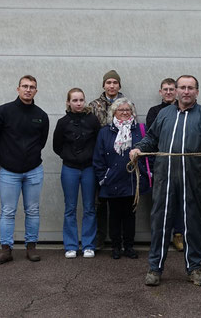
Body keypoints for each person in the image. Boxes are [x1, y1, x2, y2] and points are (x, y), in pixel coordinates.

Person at [130, 75, 201, 287]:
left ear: (197, 92)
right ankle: (155, 268)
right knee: (160, 223)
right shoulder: (164, 114)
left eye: (190, 88)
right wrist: (139, 148)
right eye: (182, 88)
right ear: (176, 91)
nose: (186, 91)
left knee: (192, 224)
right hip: (165, 178)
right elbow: (151, 138)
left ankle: (194, 268)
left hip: (194, 179)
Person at [0, 75, 49, 265]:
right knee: (8, 211)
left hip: (33, 171)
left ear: (36, 91)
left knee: (32, 210)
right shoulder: (3, 112)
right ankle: (6, 249)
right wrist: (1, 161)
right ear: (18, 89)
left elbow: (41, 141)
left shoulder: (41, 115)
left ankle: (31, 247)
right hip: (9, 172)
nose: (28, 89)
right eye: (24, 86)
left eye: (32, 87)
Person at [93, 99, 150, 260]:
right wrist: (104, 177)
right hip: (112, 181)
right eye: (121, 110)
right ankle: (116, 246)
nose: (125, 112)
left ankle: (129, 246)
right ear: (113, 112)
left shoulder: (140, 130)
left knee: (130, 215)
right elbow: (98, 157)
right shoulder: (105, 131)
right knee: (114, 215)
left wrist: (147, 174)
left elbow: (149, 152)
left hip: (132, 180)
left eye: (128, 110)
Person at [53, 88, 100, 259]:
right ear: (68, 102)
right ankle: (71, 245)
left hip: (89, 169)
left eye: (81, 100)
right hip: (70, 169)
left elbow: (98, 142)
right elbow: (57, 146)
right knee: (70, 208)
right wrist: (69, 157)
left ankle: (88, 245)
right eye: (75, 100)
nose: (78, 103)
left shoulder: (93, 120)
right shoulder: (62, 122)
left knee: (89, 207)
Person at [146, 78, 185, 252]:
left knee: (178, 201)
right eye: (165, 89)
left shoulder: (183, 110)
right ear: (160, 92)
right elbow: (152, 137)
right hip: (160, 164)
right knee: (160, 202)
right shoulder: (154, 112)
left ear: (176, 91)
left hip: (180, 164)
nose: (168, 92)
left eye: (171, 89)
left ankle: (178, 235)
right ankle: (160, 236)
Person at [89, 70, 125, 250]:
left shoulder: (126, 104)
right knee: (99, 201)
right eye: (108, 82)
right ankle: (99, 237)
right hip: (101, 158)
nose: (111, 86)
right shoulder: (94, 105)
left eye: (115, 82)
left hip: (121, 160)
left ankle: (121, 239)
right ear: (103, 85)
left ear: (119, 85)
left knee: (122, 202)